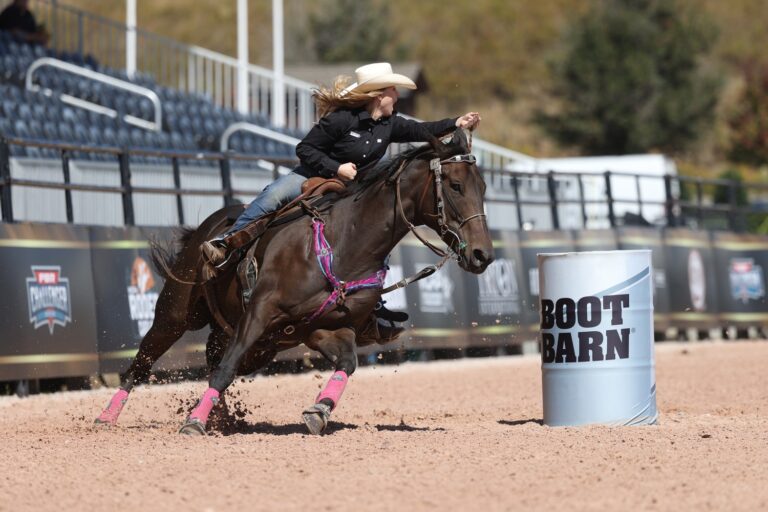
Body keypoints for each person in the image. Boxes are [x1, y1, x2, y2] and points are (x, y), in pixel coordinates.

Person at [201, 62, 481, 328]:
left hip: (350, 190)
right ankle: (225, 245)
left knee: (371, 237)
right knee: (273, 197)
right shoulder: (341, 119)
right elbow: (305, 149)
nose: (397, 95)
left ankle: (372, 303)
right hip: (309, 177)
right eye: (393, 90)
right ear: (378, 96)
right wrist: (336, 167)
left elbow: (423, 130)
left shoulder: (390, 124)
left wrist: (457, 122)